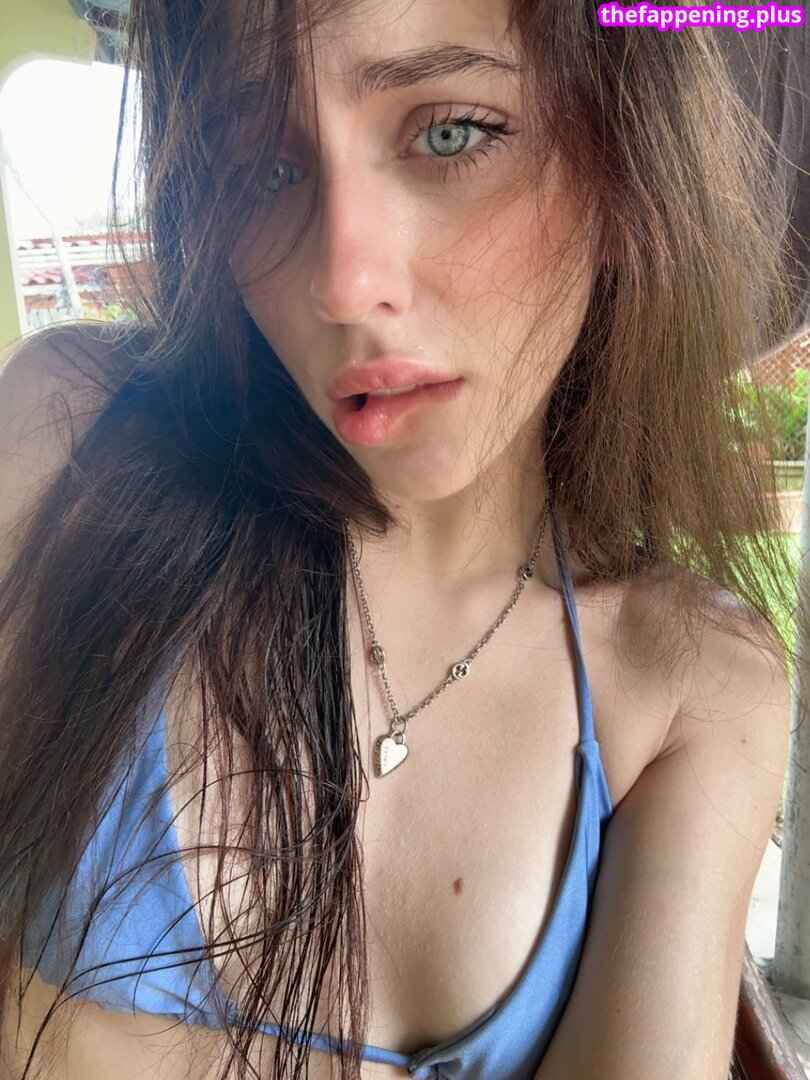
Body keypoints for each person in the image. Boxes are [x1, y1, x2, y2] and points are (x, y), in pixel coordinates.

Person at [0, 0, 802, 1077]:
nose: (341, 283)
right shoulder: (72, 437)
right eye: (262, 166)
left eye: (452, 132)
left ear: (628, 162)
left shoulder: (693, 678)